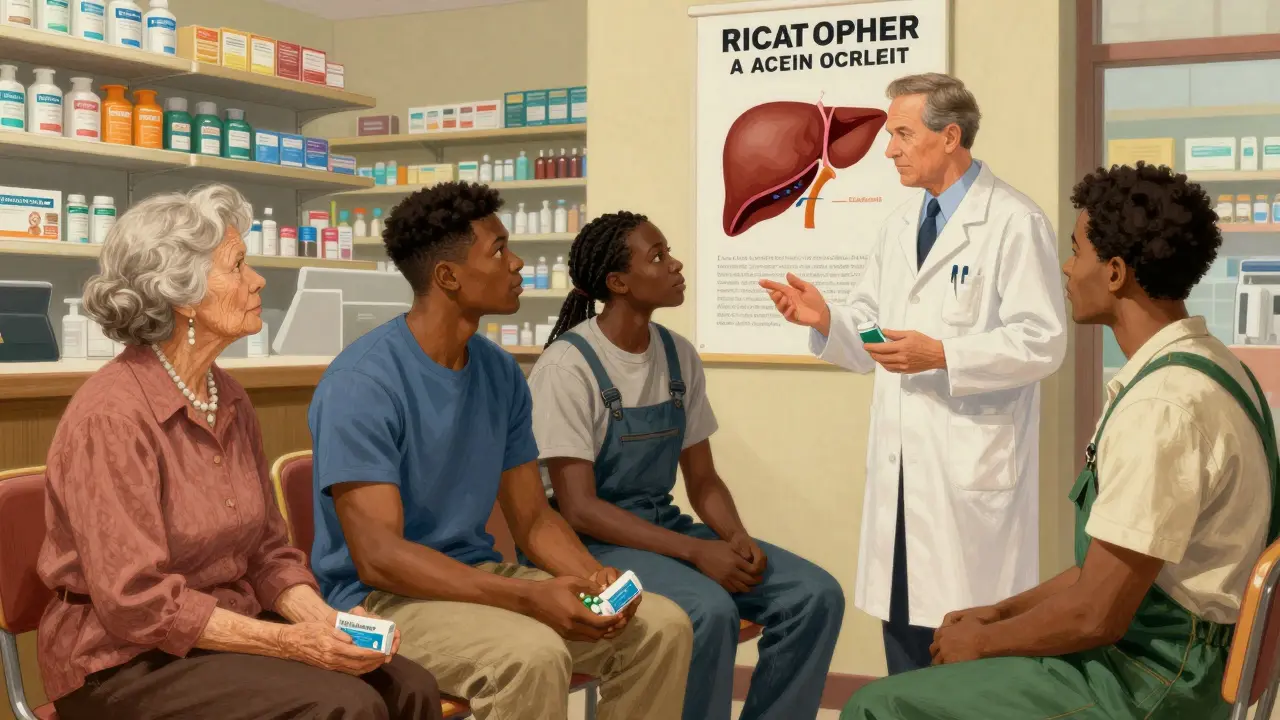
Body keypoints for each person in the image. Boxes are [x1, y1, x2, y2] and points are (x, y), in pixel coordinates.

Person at [843, 161, 1279, 719]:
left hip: (1151, 683)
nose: (1067, 270)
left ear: (1116, 272)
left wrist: (982, 642)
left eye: (1077, 251)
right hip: (1169, 660)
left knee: (878, 706)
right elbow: (1104, 572)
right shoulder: (1213, 366)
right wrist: (998, 614)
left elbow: (1095, 615)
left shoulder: (1162, 408)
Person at [37, 184, 443, 720]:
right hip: (122, 660)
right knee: (343, 705)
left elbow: (267, 552)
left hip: (219, 633)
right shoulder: (111, 418)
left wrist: (321, 620)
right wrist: (292, 644)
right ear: (182, 294)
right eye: (238, 265)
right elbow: (137, 603)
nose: (257, 280)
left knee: (408, 685)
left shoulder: (225, 395)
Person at [306, 182, 694, 720]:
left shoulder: (499, 371)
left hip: (476, 578)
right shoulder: (362, 382)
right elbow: (381, 558)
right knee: (531, 657)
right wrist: (528, 598)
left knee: (661, 628)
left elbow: (534, 517)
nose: (517, 264)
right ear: (448, 277)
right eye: (499, 250)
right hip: (377, 603)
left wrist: (586, 576)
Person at [761, 72, 1068, 675]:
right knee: (903, 642)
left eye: (902, 134)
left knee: (969, 657)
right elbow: (876, 330)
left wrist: (945, 355)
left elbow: (1043, 341)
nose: (888, 148)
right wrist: (830, 321)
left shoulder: (1012, 221)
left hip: (968, 480)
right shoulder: (900, 226)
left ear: (950, 135)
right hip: (901, 480)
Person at [527, 211, 846, 720]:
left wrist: (734, 536)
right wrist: (697, 552)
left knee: (815, 596)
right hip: (592, 543)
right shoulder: (568, 367)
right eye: (657, 257)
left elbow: (703, 479)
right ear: (618, 282)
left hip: (662, 528)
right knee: (708, 610)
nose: (675, 264)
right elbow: (580, 508)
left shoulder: (677, 355)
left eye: (668, 251)